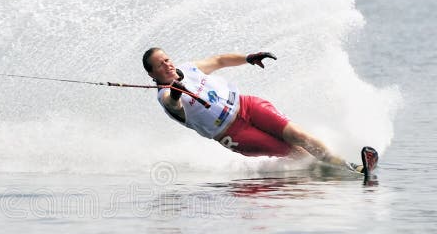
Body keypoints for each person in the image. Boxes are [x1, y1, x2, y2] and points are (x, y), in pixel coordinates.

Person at [142, 47, 366, 171]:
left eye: (167, 59)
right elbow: (175, 104)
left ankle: (344, 164)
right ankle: (329, 172)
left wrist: (248, 58)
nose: (168, 65)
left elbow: (219, 60)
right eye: (160, 64)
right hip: (232, 133)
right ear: (152, 74)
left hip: (246, 104)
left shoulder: (188, 69)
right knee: (295, 152)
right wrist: (176, 92)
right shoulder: (164, 96)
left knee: (297, 135)